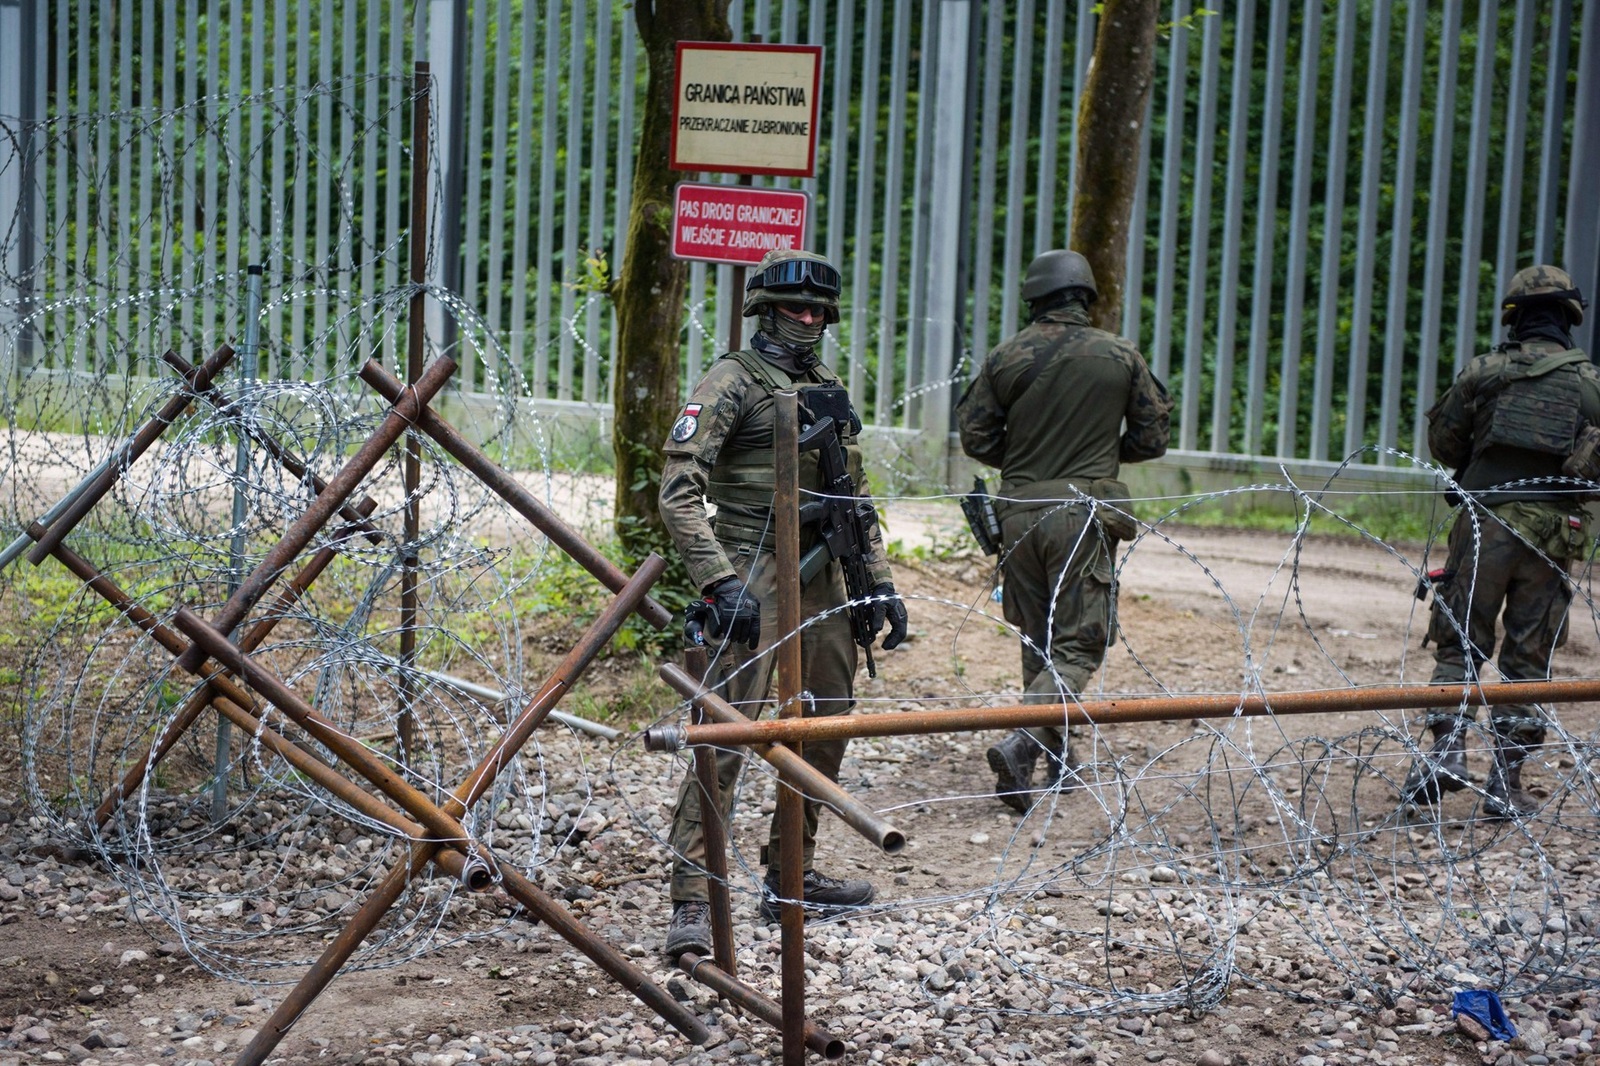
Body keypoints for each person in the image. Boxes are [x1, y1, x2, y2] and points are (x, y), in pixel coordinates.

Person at [656, 248, 909, 958]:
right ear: (766, 310)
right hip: (752, 564)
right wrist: (718, 579)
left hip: (826, 569)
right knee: (726, 734)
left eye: (819, 311)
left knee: (827, 724)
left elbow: (855, 499)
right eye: (797, 308)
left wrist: (879, 582)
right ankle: (692, 898)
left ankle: (789, 875)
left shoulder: (827, 384)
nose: (810, 320)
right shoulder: (732, 381)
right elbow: (677, 491)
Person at [956, 250, 1171, 812]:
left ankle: (1053, 756)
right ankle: (1028, 738)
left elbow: (976, 437)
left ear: (1034, 298)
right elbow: (1152, 438)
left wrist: (1028, 455)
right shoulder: (1119, 355)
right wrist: (1100, 453)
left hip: (1018, 512)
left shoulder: (1007, 356)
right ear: (1086, 297)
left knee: (1039, 634)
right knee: (1081, 640)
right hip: (1082, 512)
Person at [1402, 264, 1596, 818]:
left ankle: (1447, 754)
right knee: (1528, 659)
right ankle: (1505, 785)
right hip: (1555, 536)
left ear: (1514, 316)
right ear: (1569, 317)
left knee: (1460, 639)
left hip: (1485, 525)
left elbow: (1444, 443)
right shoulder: (1589, 384)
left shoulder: (1484, 372)